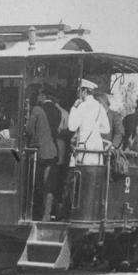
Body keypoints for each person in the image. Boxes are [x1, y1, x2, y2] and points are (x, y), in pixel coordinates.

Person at [26, 85, 61, 221]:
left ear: (43, 96)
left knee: (36, 183)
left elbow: (29, 130)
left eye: (39, 95)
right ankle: (46, 214)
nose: (37, 97)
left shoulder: (37, 109)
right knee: (49, 185)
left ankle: (34, 213)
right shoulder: (58, 111)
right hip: (53, 151)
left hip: (40, 152)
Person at [68, 79, 110, 165]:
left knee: (82, 171)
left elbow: (71, 127)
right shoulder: (100, 107)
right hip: (97, 146)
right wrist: (94, 129)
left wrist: (74, 108)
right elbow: (106, 129)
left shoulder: (81, 106)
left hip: (84, 147)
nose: (77, 94)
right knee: (96, 171)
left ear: (84, 91)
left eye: (79, 91)